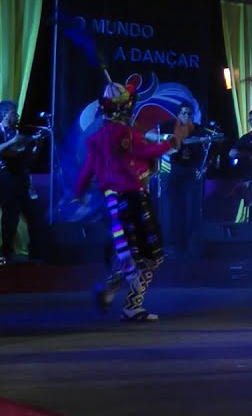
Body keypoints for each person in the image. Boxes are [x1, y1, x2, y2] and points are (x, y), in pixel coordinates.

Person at [74, 82, 178, 321]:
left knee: (131, 253)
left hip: (114, 199)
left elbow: (89, 168)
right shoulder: (124, 133)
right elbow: (147, 153)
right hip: (133, 197)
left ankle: (111, 289)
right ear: (123, 108)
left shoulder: (98, 136)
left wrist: (78, 192)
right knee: (152, 255)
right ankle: (132, 305)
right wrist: (173, 141)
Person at [147, 102, 219, 259]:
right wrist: (164, 137)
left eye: (189, 113)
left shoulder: (198, 129)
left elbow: (212, 142)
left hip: (191, 172)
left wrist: (205, 143)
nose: (186, 116)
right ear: (178, 114)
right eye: (184, 113)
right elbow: (148, 135)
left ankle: (191, 246)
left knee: (191, 209)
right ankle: (170, 245)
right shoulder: (169, 125)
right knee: (169, 208)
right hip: (171, 171)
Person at [0, 101, 48, 263]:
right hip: (6, 177)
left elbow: (28, 158)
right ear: (5, 113)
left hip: (23, 178)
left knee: (34, 213)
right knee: (10, 215)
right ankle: (6, 251)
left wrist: (37, 145)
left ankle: (36, 252)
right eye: (14, 113)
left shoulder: (17, 132)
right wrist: (14, 142)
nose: (17, 116)